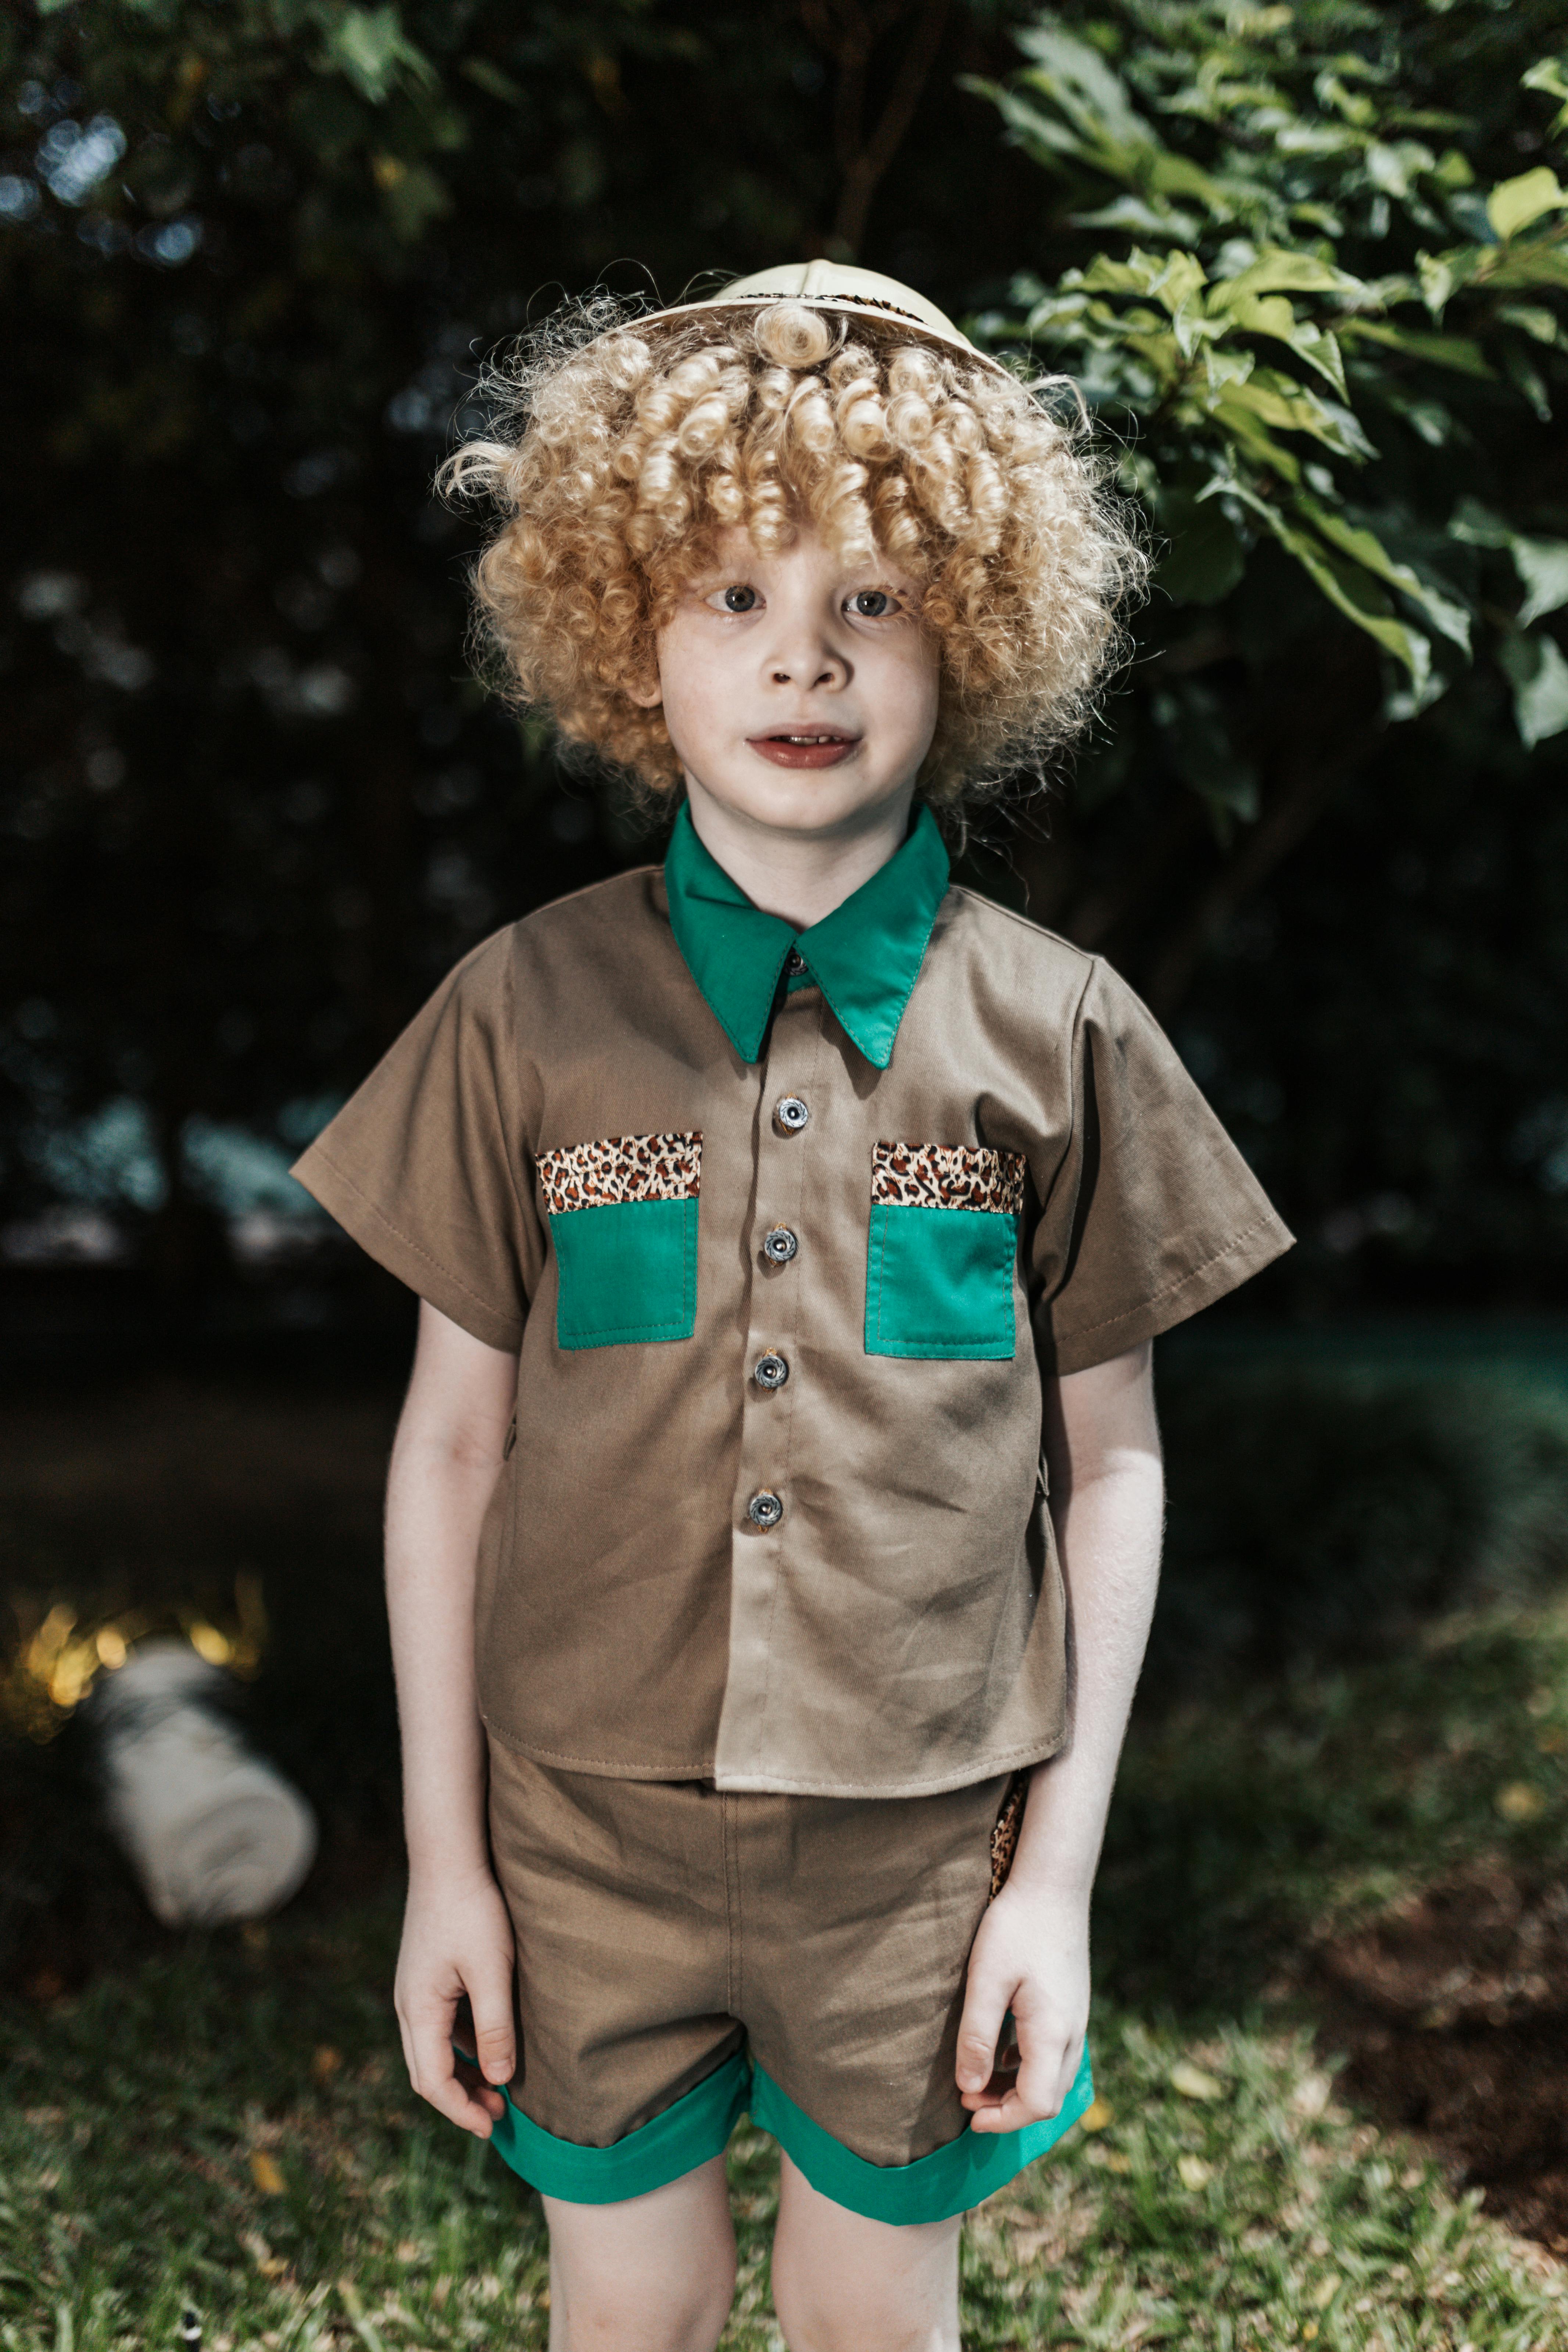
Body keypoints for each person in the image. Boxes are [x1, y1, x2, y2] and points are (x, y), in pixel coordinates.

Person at [291, 262, 1293, 2352]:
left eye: (874, 598)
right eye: (732, 595)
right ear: (622, 638)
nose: (803, 658)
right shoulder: (520, 1007)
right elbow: (450, 1450)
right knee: (623, 2313)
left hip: (924, 1860)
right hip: (581, 1836)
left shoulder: (1062, 1027)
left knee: (872, 2326)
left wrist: (1054, 1883)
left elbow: (1110, 1469)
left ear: (975, 630)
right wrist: (444, 1866)